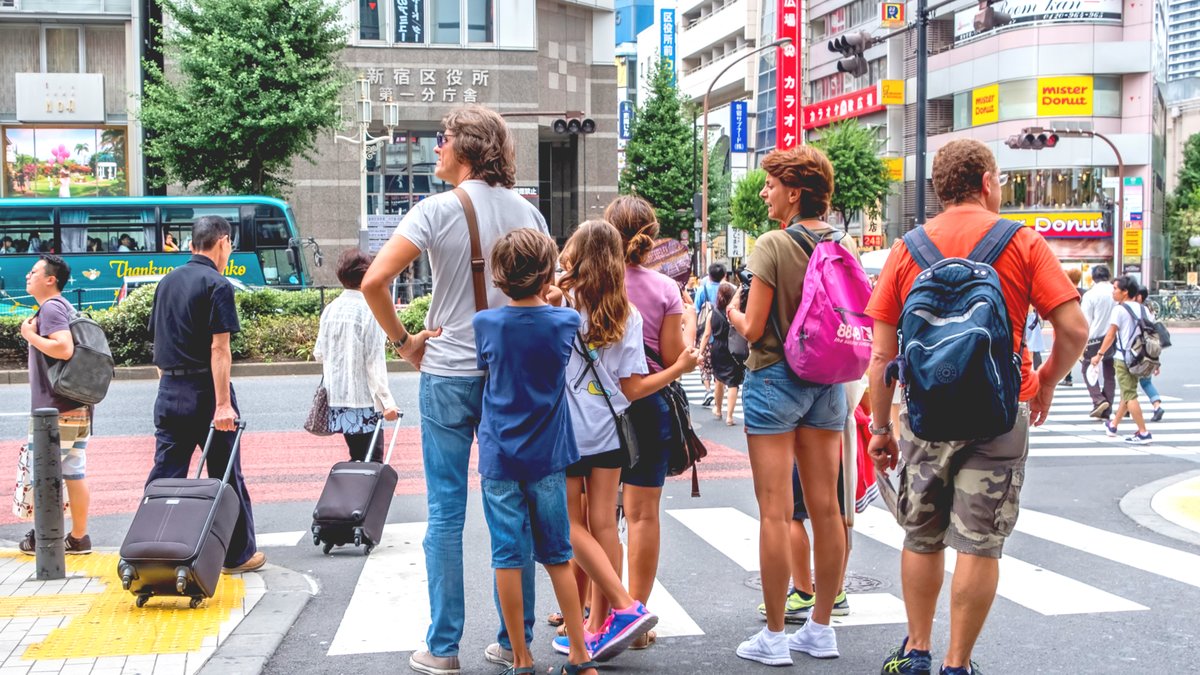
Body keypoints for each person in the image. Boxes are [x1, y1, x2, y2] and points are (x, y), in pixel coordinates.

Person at [866, 139, 1088, 675]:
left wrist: (880, 428)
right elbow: (1075, 329)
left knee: (922, 536)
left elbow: (880, 355)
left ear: (939, 189)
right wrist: (1048, 381)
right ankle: (956, 664)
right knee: (979, 543)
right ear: (987, 182)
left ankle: (915, 652)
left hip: (924, 417)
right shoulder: (1022, 242)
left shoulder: (907, 249)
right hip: (998, 414)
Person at [360, 105, 547, 675]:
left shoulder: (436, 209)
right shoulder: (528, 213)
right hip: (509, 377)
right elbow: (550, 290)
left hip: (445, 373)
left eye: (441, 140)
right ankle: (515, 641)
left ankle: (442, 648)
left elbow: (373, 282)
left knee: (444, 511)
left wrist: (406, 343)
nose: (435, 149)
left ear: (466, 148)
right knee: (508, 508)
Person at [726, 145, 852, 665]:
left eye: (771, 184)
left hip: (775, 378)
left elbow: (754, 329)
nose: (764, 192)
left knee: (775, 513)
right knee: (827, 510)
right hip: (828, 380)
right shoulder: (843, 243)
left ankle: (775, 637)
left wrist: (732, 309)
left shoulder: (772, 245)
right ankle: (820, 628)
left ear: (795, 192)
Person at [554, 220, 690, 659]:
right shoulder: (625, 313)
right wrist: (676, 371)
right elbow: (632, 388)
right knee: (602, 525)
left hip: (567, 431)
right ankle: (599, 625)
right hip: (609, 432)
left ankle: (622, 606)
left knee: (568, 524)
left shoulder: (562, 304)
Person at [471, 228, 597, 675]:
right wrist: (554, 295)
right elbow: (559, 313)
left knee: (507, 556)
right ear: (547, 273)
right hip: (548, 456)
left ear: (500, 277)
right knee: (557, 554)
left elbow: (486, 366)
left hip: (500, 456)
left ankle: (521, 657)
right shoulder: (563, 322)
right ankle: (580, 655)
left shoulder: (485, 323)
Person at [146, 215, 265, 574]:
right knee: (226, 473)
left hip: (168, 389)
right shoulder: (217, 284)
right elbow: (219, 350)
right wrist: (224, 403)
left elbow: (158, 346)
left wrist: (170, 386)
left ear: (192, 243)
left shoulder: (166, 283)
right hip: (205, 391)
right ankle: (237, 555)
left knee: (165, 475)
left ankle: (151, 548)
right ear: (223, 242)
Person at [603, 195, 695, 652]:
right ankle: (634, 614)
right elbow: (678, 357)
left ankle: (594, 610)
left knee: (594, 517)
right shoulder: (664, 289)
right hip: (649, 403)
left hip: (596, 407)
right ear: (651, 237)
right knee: (642, 516)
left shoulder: (591, 282)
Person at [18, 255, 93, 555]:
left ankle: (44, 537)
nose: (28, 275)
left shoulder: (51, 308)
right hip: (76, 405)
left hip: (55, 409)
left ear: (50, 279)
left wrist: (30, 335)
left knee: (44, 473)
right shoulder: (64, 306)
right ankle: (79, 538)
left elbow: (63, 348)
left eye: (34, 271)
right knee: (74, 473)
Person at [313, 249, 401, 461]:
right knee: (372, 461)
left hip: (338, 398)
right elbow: (373, 361)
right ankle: (365, 495)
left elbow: (319, 354)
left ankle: (354, 493)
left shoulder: (330, 309)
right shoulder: (370, 310)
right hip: (364, 400)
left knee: (357, 456)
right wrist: (387, 403)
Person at [1093, 276, 1153, 444]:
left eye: (1115, 289)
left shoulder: (1119, 310)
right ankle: (1113, 425)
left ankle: (1143, 432)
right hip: (1141, 358)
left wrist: (1099, 354)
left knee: (1129, 394)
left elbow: (1111, 335)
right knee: (1126, 393)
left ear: (1125, 292)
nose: (1113, 292)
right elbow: (1152, 336)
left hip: (1123, 358)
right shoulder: (1144, 310)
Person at [702, 282, 745, 425]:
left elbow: (707, 334)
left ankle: (718, 409)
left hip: (717, 348)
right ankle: (730, 417)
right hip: (732, 347)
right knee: (733, 382)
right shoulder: (733, 312)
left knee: (718, 379)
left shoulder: (712, 313)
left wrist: (700, 352)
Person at [1080, 264, 1116, 419]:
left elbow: (1085, 320)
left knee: (1087, 368)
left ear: (1093, 278)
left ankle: (1098, 399)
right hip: (1114, 337)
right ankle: (1107, 406)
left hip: (1095, 338)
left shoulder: (1090, 295)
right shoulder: (1115, 292)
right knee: (1109, 373)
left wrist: (1082, 343)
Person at [1133, 285, 1165, 421]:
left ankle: (1128, 407)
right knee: (1146, 382)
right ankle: (1157, 406)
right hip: (1149, 351)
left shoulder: (1136, 310)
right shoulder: (1149, 311)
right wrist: (1157, 361)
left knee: (1129, 382)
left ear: (1139, 297)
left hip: (1136, 350)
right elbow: (1154, 336)